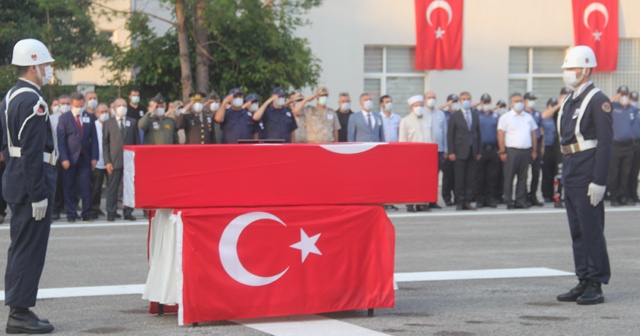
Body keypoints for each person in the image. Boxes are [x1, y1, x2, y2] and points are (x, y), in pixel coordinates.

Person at [0, 38, 56, 334]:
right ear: (34, 66)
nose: (49, 70)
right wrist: (38, 194)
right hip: (30, 182)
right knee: (29, 250)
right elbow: (33, 152)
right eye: (46, 65)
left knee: (20, 247)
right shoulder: (34, 102)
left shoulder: (10, 96)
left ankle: (19, 308)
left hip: (16, 179)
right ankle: (19, 314)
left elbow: (5, 146)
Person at [555, 45, 612, 305]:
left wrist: (599, 180)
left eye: (573, 68)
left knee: (591, 229)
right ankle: (583, 278)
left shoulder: (598, 100)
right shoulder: (570, 99)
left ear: (587, 70)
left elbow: (605, 142)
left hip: (588, 171)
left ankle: (596, 283)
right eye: (567, 68)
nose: (568, 73)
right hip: (571, 168)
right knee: (577, 230)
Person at [57, 92, 99, 222]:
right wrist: (64, 158)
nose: (78, 108)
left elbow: (94, 139)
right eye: (76, 106)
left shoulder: (89, 117)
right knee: (69, 187)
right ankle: (71, 213)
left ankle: (86, 213)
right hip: (70, 158)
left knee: (86, 187)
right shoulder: (64, 119)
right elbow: (61, 140)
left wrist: (94, 157)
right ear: (71, 104)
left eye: (81, 106)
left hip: (85, 158)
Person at [497, 93, 537, 209]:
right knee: (509, 176)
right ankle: (509, 200)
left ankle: (520, 200)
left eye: (520, 101)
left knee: (523, 177)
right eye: (516, 101)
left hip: (526, 150)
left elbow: (533, 133)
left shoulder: (528, 117)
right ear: (511, 103)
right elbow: (500, 134)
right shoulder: (506, 117)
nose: (519, 103)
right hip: (511, 151)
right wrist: (502, 151)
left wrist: (534, 150)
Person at [103, 98, 138, 221]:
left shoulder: (132, 122)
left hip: (129, 160)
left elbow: (137, 142)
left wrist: (136, 160)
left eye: (124, 105)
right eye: (119, 105)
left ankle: (128, 212)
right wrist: (107, 161)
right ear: (114, 108)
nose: (122, 108)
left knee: (128, 187)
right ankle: (111, 212)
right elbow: (105, 144)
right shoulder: (108, 123)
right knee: (112, 187)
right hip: (114, 160)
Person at [447, 92, 481, 210]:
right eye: (463, 99)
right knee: (460, 178)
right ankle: (460, 201)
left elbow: (478, 133)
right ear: (460, 101)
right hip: (459, 151)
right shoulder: (455, 116)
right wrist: (451, 151)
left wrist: (478, 151)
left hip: (472, 150)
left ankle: (468, 201)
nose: (466, 101)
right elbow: (450, 135)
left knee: (470, 178)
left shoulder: (475, 115)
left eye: (468, 99)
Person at [399, 95, 433, 212]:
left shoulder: (428, 119)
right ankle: (410, 203)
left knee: (424, 180)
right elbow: (402, 139)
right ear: (411, 108)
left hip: (426, 155)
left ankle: (423, 203)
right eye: (416, 106)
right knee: (411, 181)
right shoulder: (406, 120)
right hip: (412, 155)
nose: (419, 108)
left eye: (421, 105)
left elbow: (432, 137)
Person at [607, 86, 635, 206]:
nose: (624, 97)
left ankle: (624, 196)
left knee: (626, 173)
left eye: (625, 94)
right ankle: (614, 196)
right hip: (616, 146)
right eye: (621, 94)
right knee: (614, 173)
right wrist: (616, 98)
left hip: (629, 145)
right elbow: (603, 105)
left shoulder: (631, 109)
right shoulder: (613, 108)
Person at [423, 90, 447, 209]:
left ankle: (433, 200)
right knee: (424, 176)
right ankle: (424, 200)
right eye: (429, 97)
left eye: (433, 97)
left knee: (435, 177)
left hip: (438, 150)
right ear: (424, 100)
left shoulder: (440, 114)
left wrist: (446, 149)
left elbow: (444, 132)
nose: (431, 99)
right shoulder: (421, 113)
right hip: (425, 150)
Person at [476, 94, 500, 208]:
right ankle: (480, 199)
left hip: (493, 148)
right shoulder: (476, 115)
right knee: (480, 176)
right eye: (484, 102)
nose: (486, 104)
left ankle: (490, 198)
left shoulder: (495, 115)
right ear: (481, 103)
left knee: (492, 176)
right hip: (481, 149)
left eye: (488, 102)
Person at [524, 92, 544, 206]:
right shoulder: (523, 113)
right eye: (530, 99)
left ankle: (533, 195)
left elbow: (541, 130)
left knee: (536, 173)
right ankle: (525, 195)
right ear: (525, 101)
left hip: (537, 144)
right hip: (526, 144)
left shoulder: (537, 114)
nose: (532, 102)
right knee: (524, 173)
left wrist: (542, 147)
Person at [51, 95, 70, 220]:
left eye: (67, 103)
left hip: (71, 155)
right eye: (62, 103)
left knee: (69, 184)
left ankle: (68, 208)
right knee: (56, 185)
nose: (64, 105)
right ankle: (55, 209)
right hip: (56, 155)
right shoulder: (51, 119)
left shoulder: (72, 118)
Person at [90, 104, 109, 219]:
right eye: (102, 112)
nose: (104, 114)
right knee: (96, 187)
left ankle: (110, 208)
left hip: (109, 161)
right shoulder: (93, 125)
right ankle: (94, 209)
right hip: (97, 161)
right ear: (96, 113)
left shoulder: (111, 125)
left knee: (110, 187)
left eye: (106, 111)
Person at [440, 94, 459, 206]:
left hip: (459, 149)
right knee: (447, 176)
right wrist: (445, 106)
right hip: (447, 149)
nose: (454, 104)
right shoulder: (443, 114)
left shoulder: (459, 115)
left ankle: (457, 197)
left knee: (458, 176)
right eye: (452, 101)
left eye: (456, 101)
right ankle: (447, 197)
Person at [541, 98, 559, 203]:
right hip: (547, 148)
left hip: (556, 149)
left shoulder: (557, 118)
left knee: (555, 173)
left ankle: (554, 193)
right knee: (546, 173)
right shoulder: (545, 118)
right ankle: (546, 194)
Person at [630, 91, 640, 202]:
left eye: (636, 100)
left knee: (635, 171)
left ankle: (633, 194)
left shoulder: (638, 112)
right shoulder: (623, 111)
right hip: (628, 143)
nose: (634, 102)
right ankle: (625, 194)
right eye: (633, 100)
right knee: (625, 171)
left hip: (637, 143)